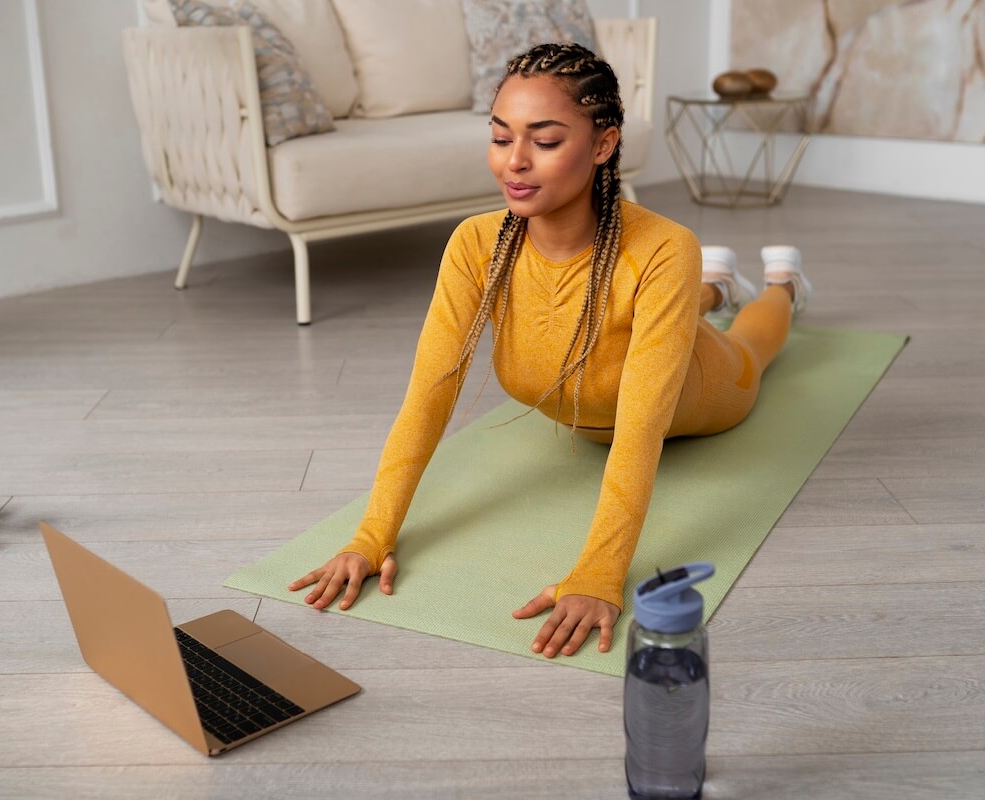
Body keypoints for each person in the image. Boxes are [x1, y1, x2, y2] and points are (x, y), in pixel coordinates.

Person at [289, 42, 813, 659]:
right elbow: (428, 395)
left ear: (603, 145)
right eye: (501, 136)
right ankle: (713, 288)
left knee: (749, 347)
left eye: (544, 140)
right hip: (602, 385)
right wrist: (371, 535)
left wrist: (600, 572)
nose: (515, 162)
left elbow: (641, 428)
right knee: (656, 310)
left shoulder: (665, 247)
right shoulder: (474, 244)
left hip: (696, 394)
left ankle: (782, 286)